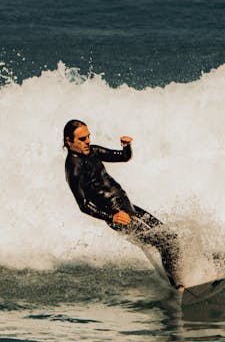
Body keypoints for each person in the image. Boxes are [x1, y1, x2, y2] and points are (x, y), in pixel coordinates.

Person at [63, 119, 183, 291]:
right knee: (164, 243)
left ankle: (180, 279)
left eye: (88, 137)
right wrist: (112, 216)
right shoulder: (73, 169)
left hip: (128, 207)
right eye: (82, 139)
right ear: (69, 141)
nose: (88, 141)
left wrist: (126, 147)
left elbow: (123, 157)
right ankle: (179, 286)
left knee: (170, 238)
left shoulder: (93, 151)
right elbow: (83, 205)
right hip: (120, 216)